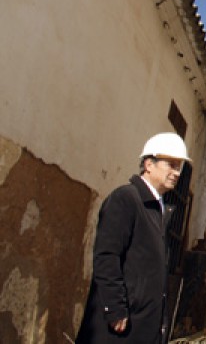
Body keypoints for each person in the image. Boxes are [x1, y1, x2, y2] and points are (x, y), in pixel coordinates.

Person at [76, 132, 190, 344]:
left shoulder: (158, 208)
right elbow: (107, 255)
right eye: (171, 165)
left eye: (179, 167)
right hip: (120, 326)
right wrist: (115, 307)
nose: (176, 173)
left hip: (143, 325)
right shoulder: (125, 199)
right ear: (149, 164)